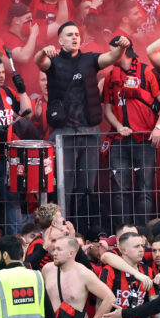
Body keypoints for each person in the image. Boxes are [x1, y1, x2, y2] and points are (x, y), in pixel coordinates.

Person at [37, 24, 130, 223]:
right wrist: (42, 52)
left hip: (89, 132)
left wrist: (122, 47)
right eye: (70, 35)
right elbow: (40, 62)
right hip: (63, 134)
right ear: (60, 40)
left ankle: (82, 228)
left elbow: (111, 57)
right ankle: (62, 225)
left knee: (87, 185)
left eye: (77, 34)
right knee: (64, 185)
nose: (75, 37)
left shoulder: (90, 59)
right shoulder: (53, 61)